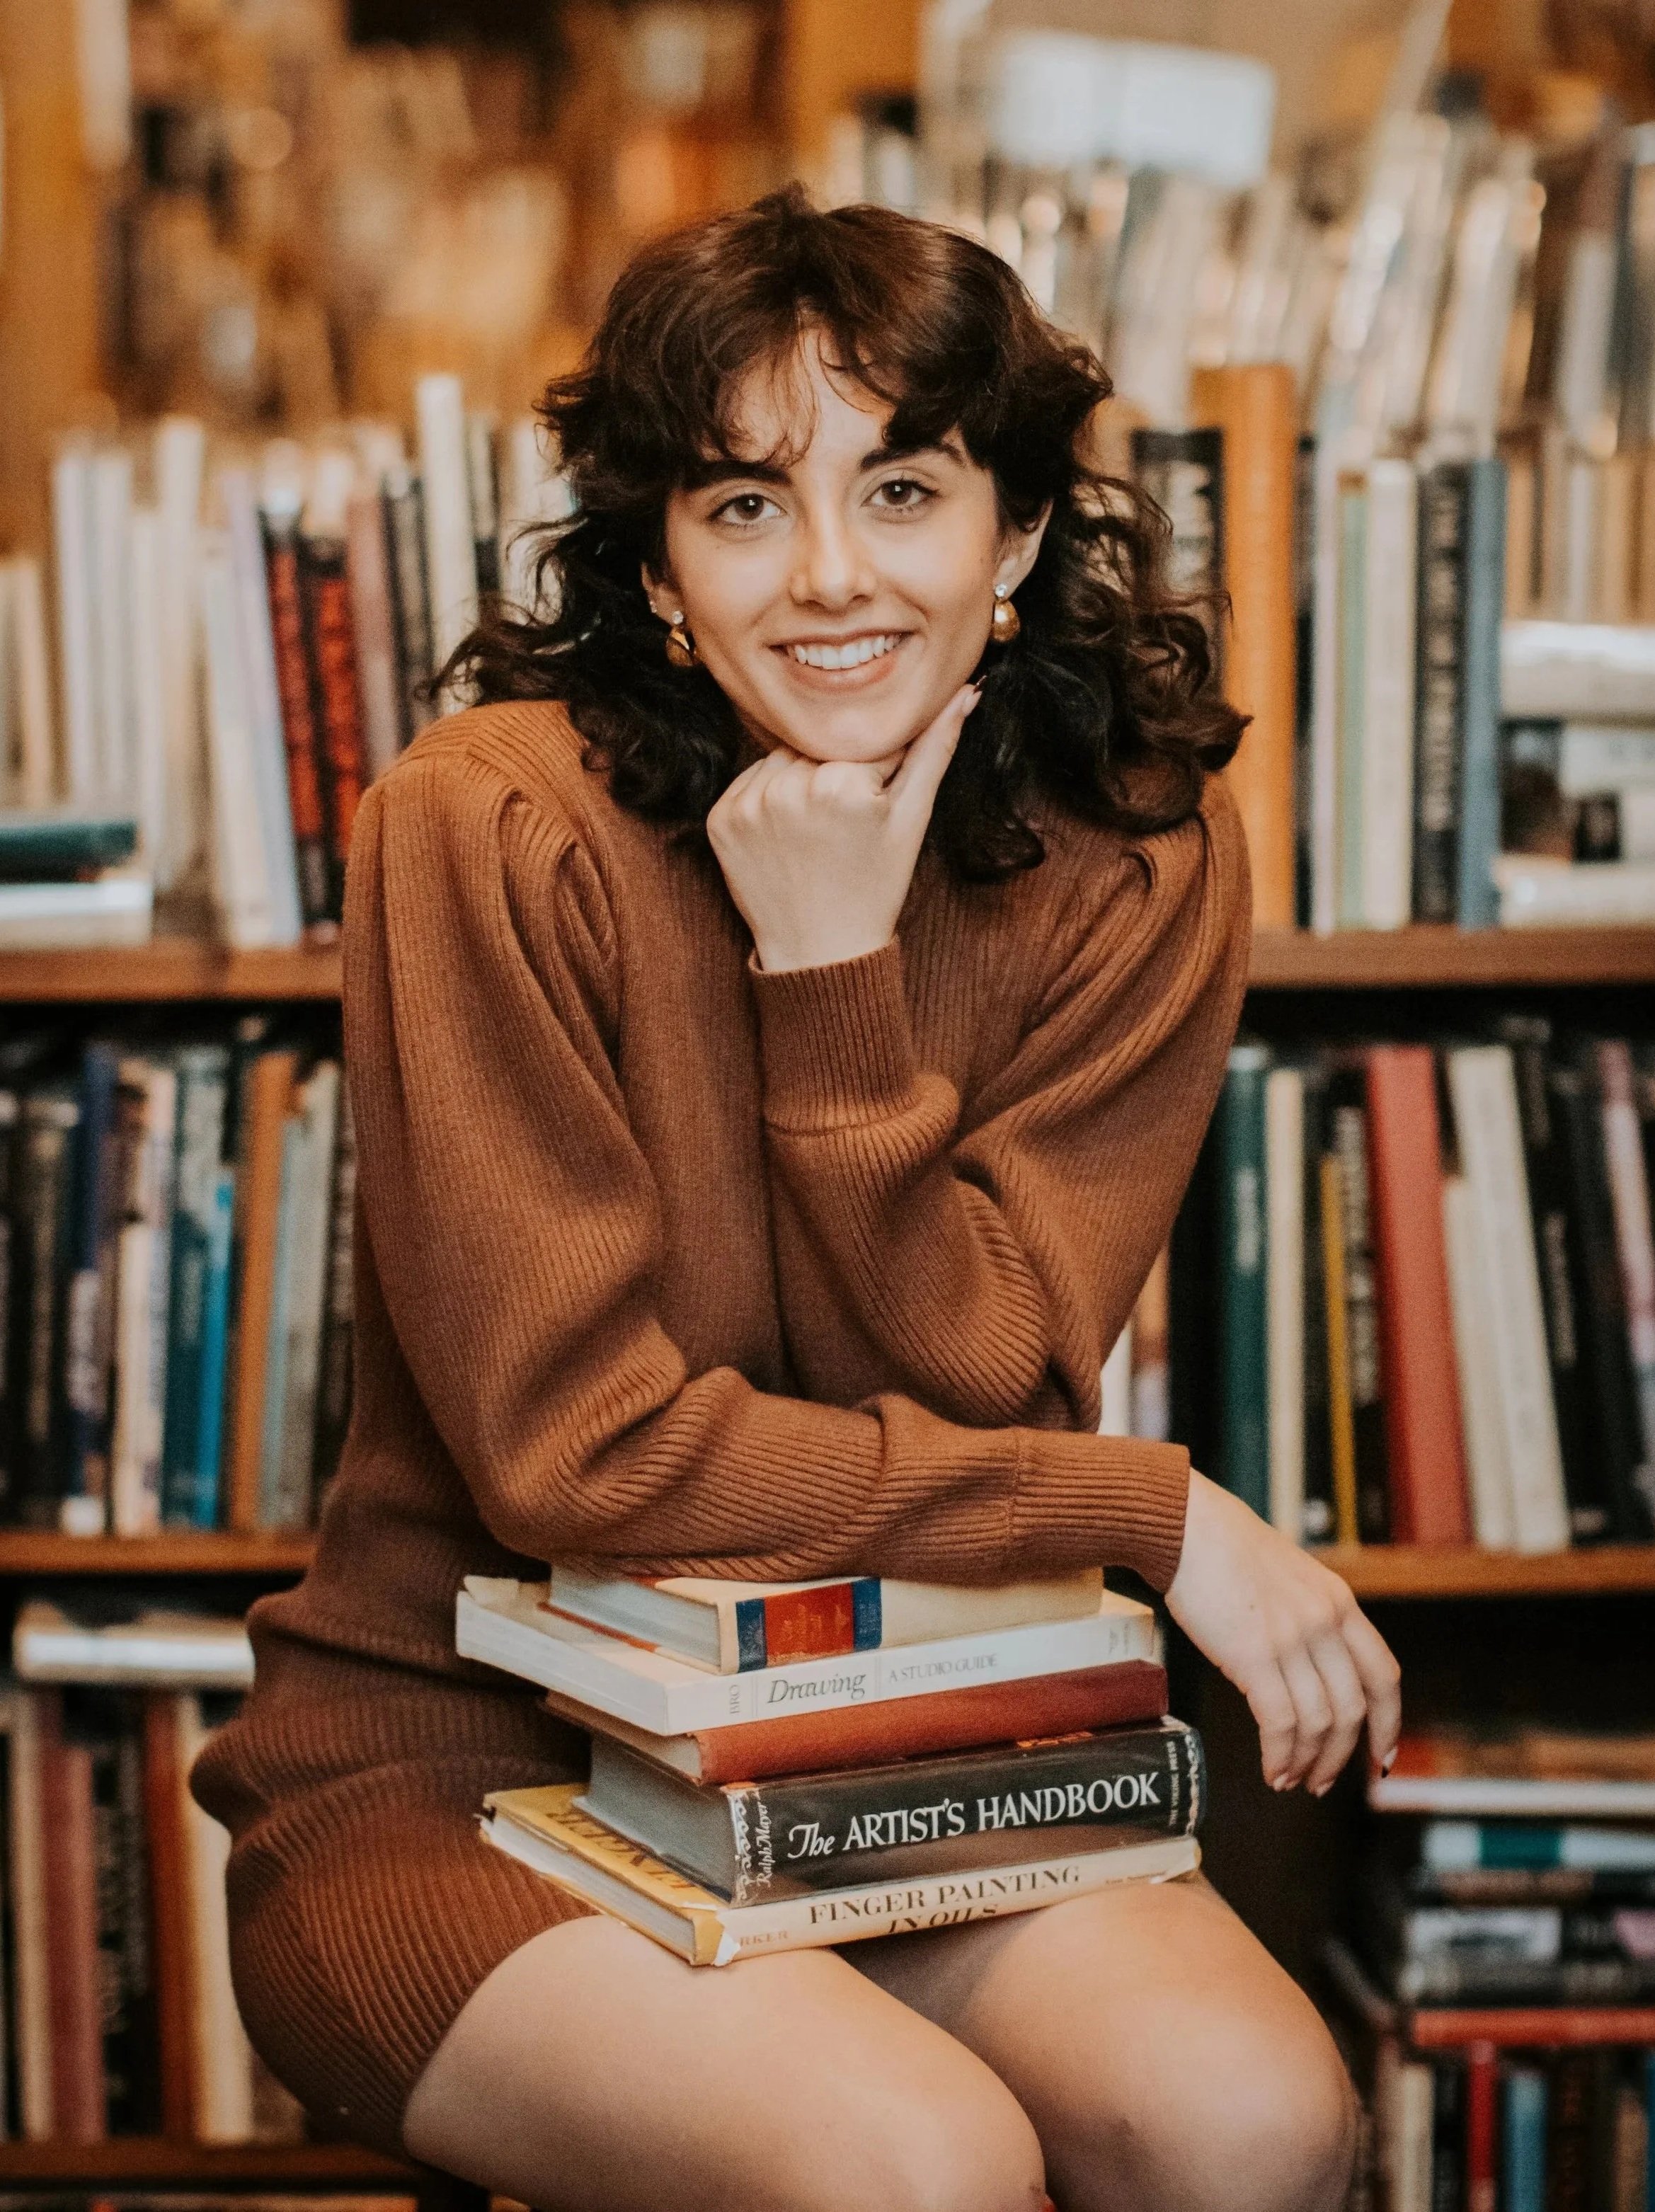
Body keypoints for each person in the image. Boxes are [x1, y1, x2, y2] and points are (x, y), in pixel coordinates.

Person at [194, 188, 1402, 2212]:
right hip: (468, 1767)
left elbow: (973, 1380)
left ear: (1014, 535)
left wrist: (833, 979)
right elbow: (580, 1459)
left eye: (902, 490)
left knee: (1255, 2121)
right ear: (658, 565)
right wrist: (1153, 1515)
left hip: (891, 1743)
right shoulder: (488, 828)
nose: (828, 578)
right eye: (743, 506)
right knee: (910, 2169)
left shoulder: (1134, 861)